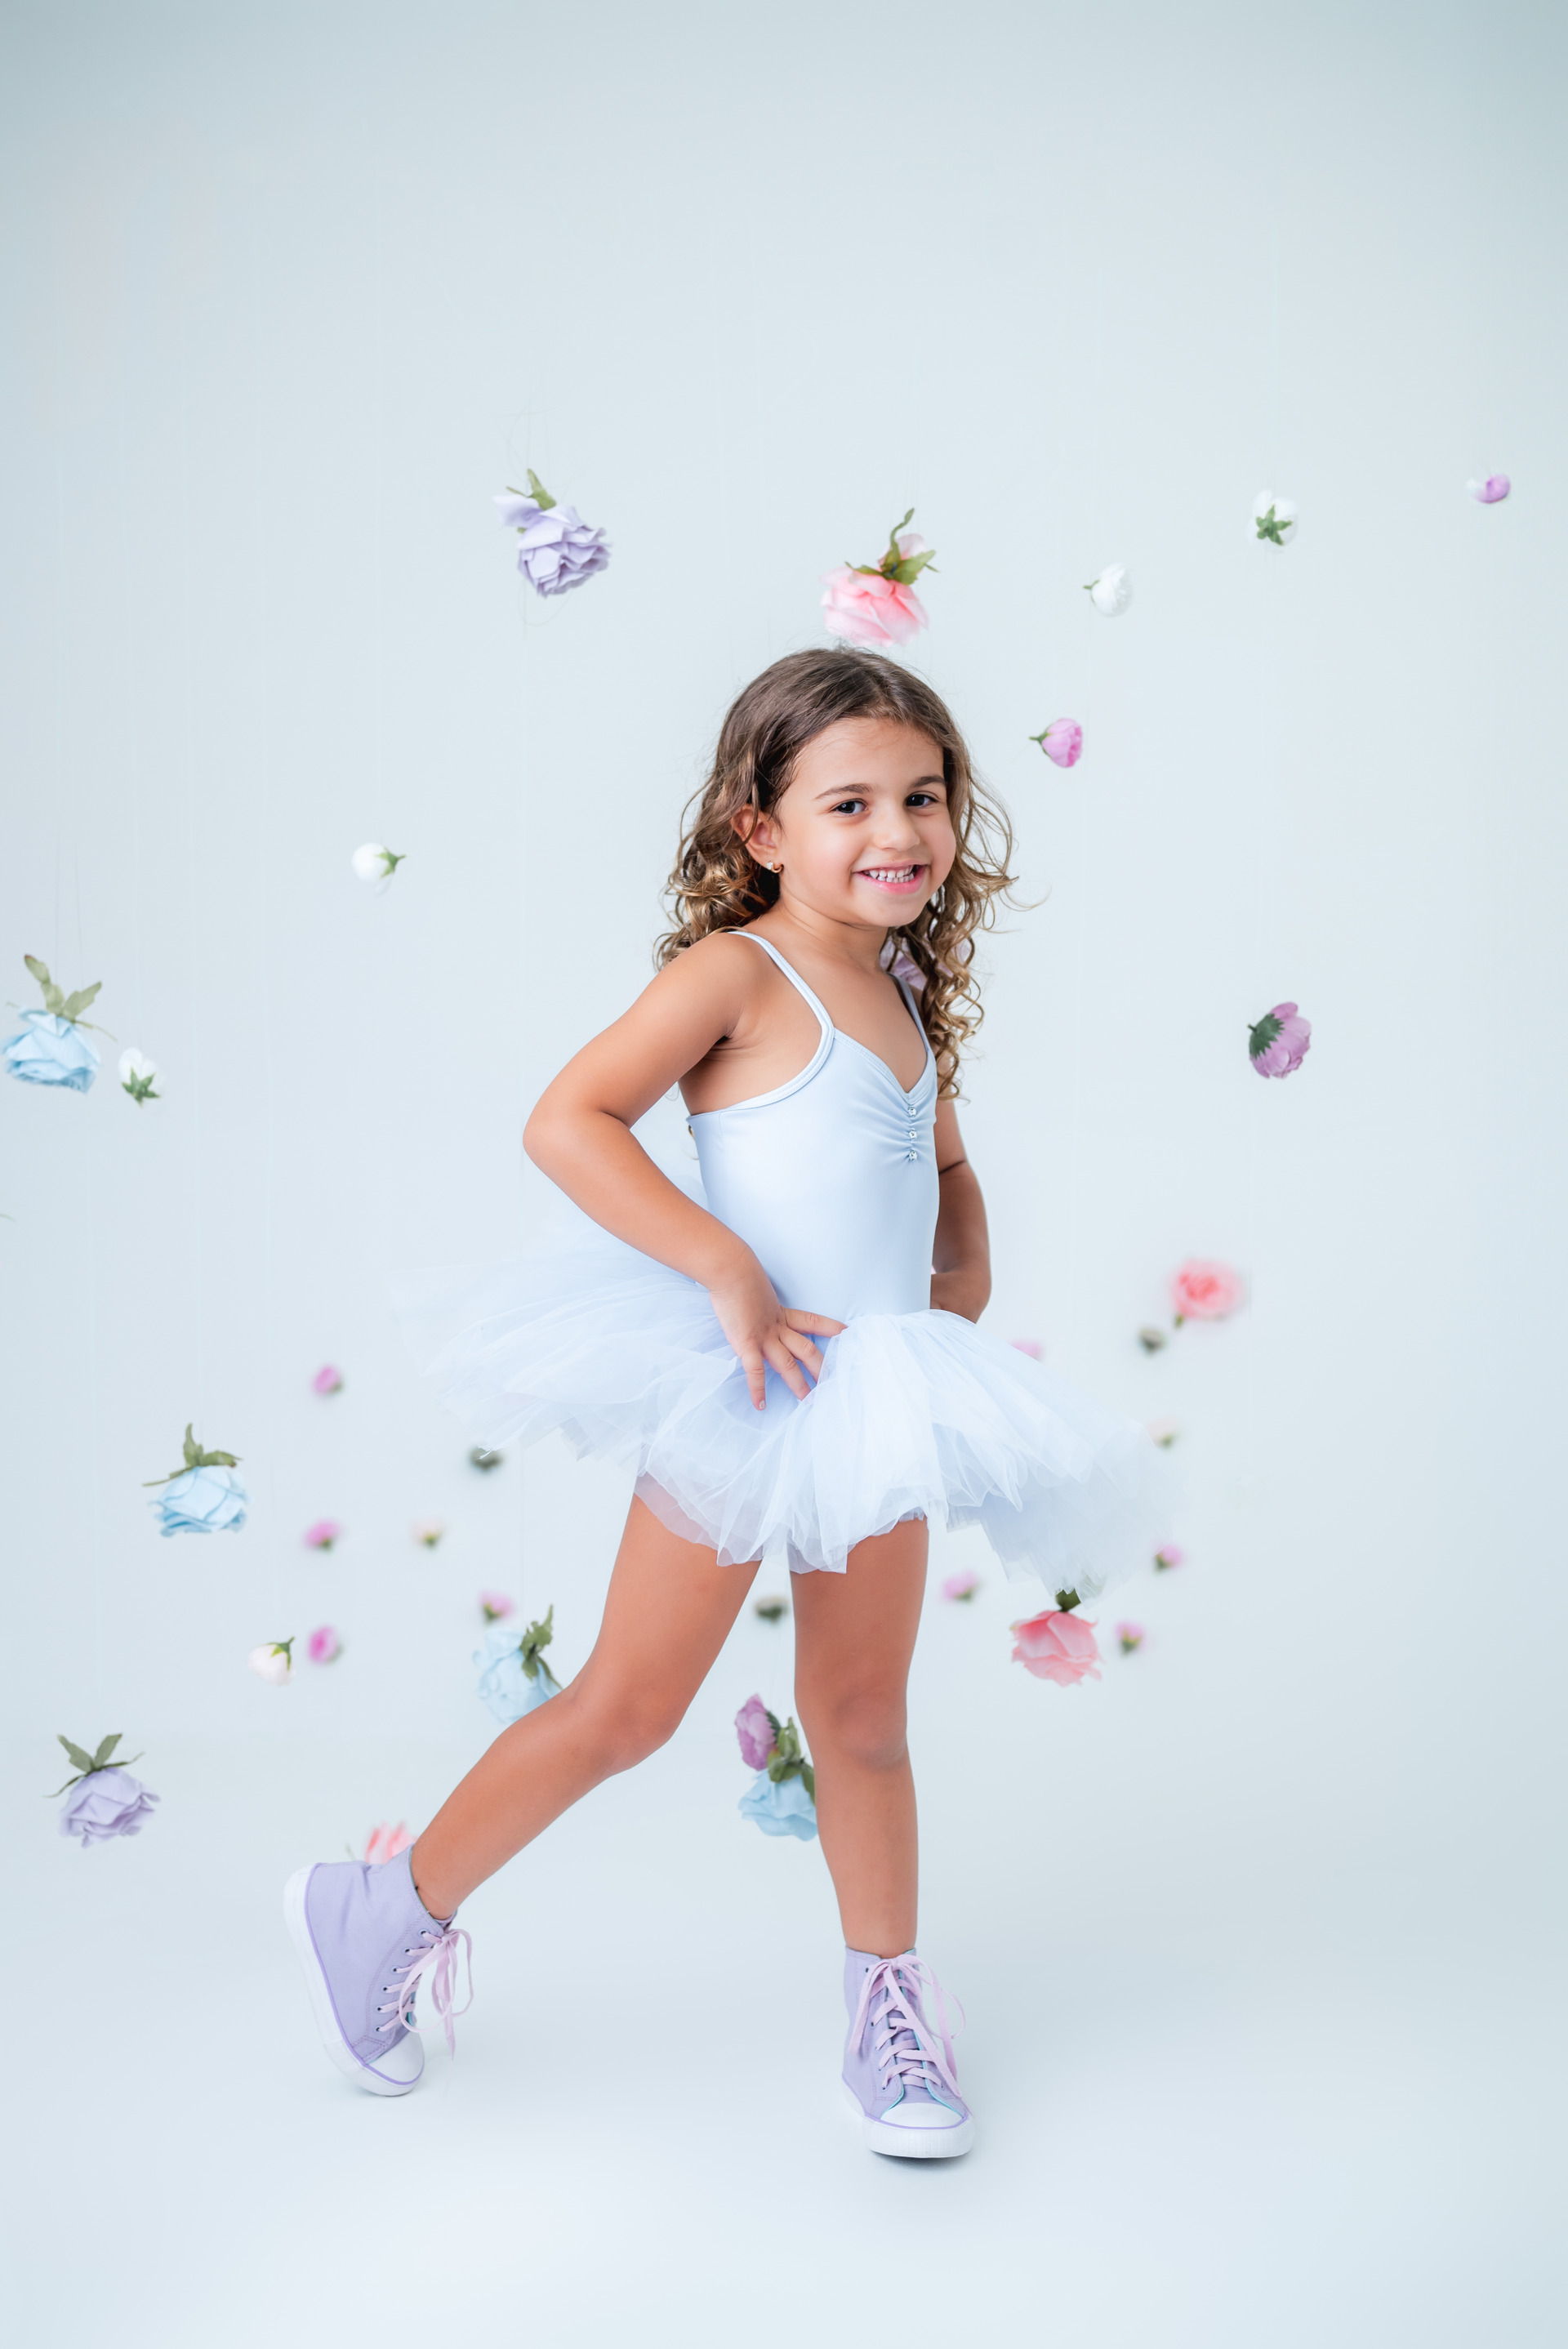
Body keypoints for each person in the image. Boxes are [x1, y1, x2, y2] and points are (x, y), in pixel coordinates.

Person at [284, 646, 1156, 2158]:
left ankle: (889, 2010)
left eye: (925, 796)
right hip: (755, 1386)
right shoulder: (738, 973)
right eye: (850, 803)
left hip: (876, 1395)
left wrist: (966, 1253)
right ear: (762, 829)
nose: (898, 829)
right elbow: (570, 1119)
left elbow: (939, 1154)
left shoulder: (900, 985)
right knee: (629, 1706)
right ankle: (380, 1908)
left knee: (862, 1718)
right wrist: (721, 1263)